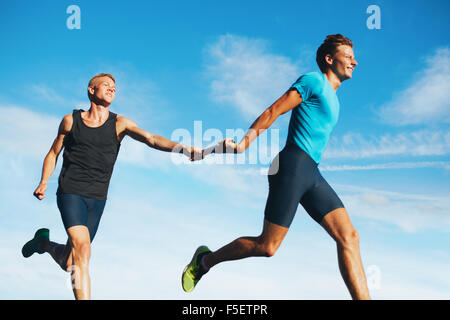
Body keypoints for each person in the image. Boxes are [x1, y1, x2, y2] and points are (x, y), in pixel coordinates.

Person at [182, 34, 371, 300]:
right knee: (267, 246)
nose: (355, 61)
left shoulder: (336, 100)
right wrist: (245, 143)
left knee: (349, 236)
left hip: (312, 173)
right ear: (330, 59)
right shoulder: (313, 81)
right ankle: (205, 261)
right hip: (291, 165)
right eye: (348, 56)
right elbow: (274, 110)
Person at [22, 73, 202, 300]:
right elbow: (53, 152)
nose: (112, 89)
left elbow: (152, 139)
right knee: (84, 250)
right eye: (106, 85)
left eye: (114, 87)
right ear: (91, 89)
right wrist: (44, 181)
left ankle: (44, 243)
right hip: (71, 191)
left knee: (70, 262)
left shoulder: (120, 124)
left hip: (97, 199)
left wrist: (183, 148)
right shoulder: (71, 120)